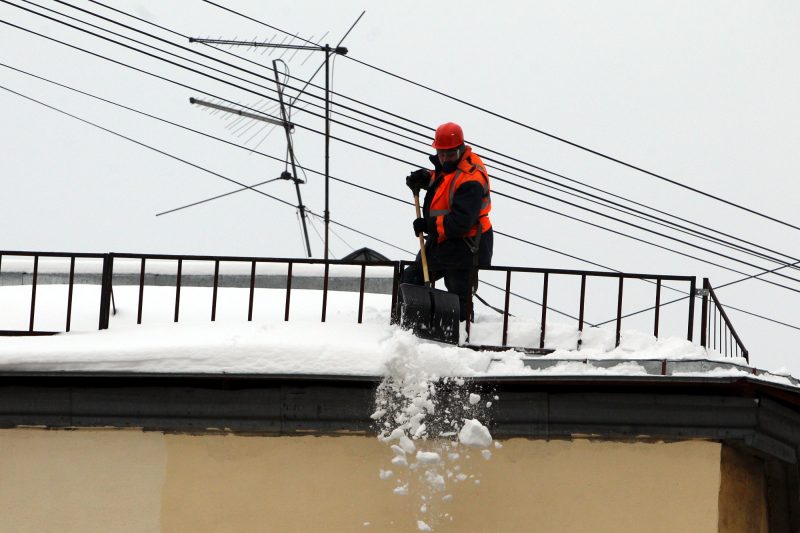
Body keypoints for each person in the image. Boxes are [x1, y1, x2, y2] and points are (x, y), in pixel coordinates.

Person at [402, 122, 493, 321]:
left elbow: (461, 222)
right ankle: (415, 325)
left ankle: (460, 335)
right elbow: (445, 180)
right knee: (412, 278)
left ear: (461, 149)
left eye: (449, 154)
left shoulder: (471, 179)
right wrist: (426, 178)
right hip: (446, 240)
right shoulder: (451, 166)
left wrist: (428, 226)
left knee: (457, 295)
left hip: (467, 245)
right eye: (441, 154)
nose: (444, 159)